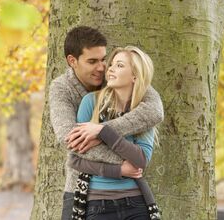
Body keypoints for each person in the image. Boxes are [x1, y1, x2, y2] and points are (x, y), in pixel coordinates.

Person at [49, 26, 164, 220]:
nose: (102, 67)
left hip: (130, 195)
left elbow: (154, 110)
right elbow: (71, 141)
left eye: (104, 59)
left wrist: (102, 131)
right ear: (72, 61)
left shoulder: (115, 77)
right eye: (92, 61)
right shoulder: (62, 89)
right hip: (81, 187)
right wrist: (122, 165)